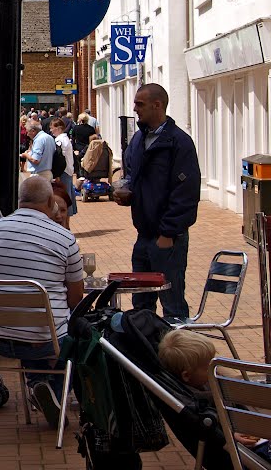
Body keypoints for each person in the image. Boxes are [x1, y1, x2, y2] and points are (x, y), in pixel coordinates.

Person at [0, 175, 84, 429]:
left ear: (20, 200)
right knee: (79, 336)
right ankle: (53, 391)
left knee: (34, 325)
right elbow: (76, 298)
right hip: (44, 340)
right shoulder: (64, 239)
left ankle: (40, 384)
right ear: (51, 201)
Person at [116, 83, 201, 321]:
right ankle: (144, 354)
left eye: (139, 104)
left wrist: (168, 233)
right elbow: (132, 176)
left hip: (168, 239)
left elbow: (186, 192)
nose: (135, 109)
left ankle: (177, 356)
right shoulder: (138, 140)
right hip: (143, 235)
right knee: (141, 304)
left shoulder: (179, 142)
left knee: (172, 304)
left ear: (157, 105)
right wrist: (127, 194)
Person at [158, 329, 271, 461]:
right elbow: (212, 429)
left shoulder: (205, 385)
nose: (214, 370)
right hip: (238, 453)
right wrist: (230, 437)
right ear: (187, 375)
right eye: (208, 367)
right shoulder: (197, 401)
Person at [49, 117, 77, 219]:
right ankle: (66, 225)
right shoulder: (64, 139)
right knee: (66, 196)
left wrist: (57, 174)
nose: (51, 130)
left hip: (63, 172)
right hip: (67, 171)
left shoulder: (60, 140)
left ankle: (65, 224)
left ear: (59, 128)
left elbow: (60, 160)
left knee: (63, 198)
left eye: (52, 128)